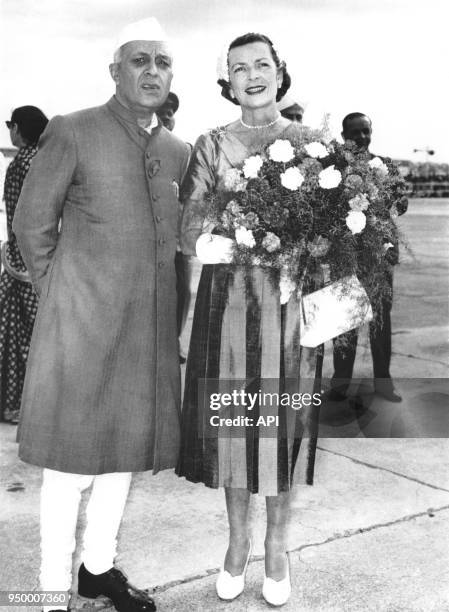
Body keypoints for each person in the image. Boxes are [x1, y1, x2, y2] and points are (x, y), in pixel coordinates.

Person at [13, 17, 190, 612]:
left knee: (123, 456)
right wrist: (64, 292)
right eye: (139, 61)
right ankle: (46, 589)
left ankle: (98, 569)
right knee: (70, 462)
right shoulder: (74, 130)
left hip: (146, 331)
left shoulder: (176, 151)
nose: (152, 72)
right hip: (82, 326)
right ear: (115, 71)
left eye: (162, 62)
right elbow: (31, 223)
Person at [176, 33, 321, 607]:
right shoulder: (210, 145)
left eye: (262, 64)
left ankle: (277, 546)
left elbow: (334, 231)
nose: (252, 75)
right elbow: (188, 221)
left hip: (288, 308)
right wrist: (210, 241)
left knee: (279, 430)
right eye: (239, 68)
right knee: (233, 430)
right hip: (227, 308)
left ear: (280, 72)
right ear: (228, 81)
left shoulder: (312, 143)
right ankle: (237, 544)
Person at [329, 112, 407, 403]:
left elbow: (402, 203)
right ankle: (340, 384)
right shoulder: (334, 168)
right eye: (355, 133)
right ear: (343, 135)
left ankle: (383, 383)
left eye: (366, 131)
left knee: (380, 322)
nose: (362, 137)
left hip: (379, 255)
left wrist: (381, 198)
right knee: (344, 322)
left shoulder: (385, 165)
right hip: (346, 255)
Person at [0, 106, 48, 423]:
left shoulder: (21, 165)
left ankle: (19, 404)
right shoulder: (44, 160)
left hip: (24, 263)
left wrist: (13, 259)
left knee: (19, 336)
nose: (8, 131)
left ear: (19, 128)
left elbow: (21, 220)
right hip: (43, 259)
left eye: (9, 125)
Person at [156, 92, 193, 364]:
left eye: (170, 111)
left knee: (183, 291)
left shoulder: (184, 150)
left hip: (178, 239)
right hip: (149, 238)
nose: (166, 116)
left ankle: (172, 342)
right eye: (161, 111)